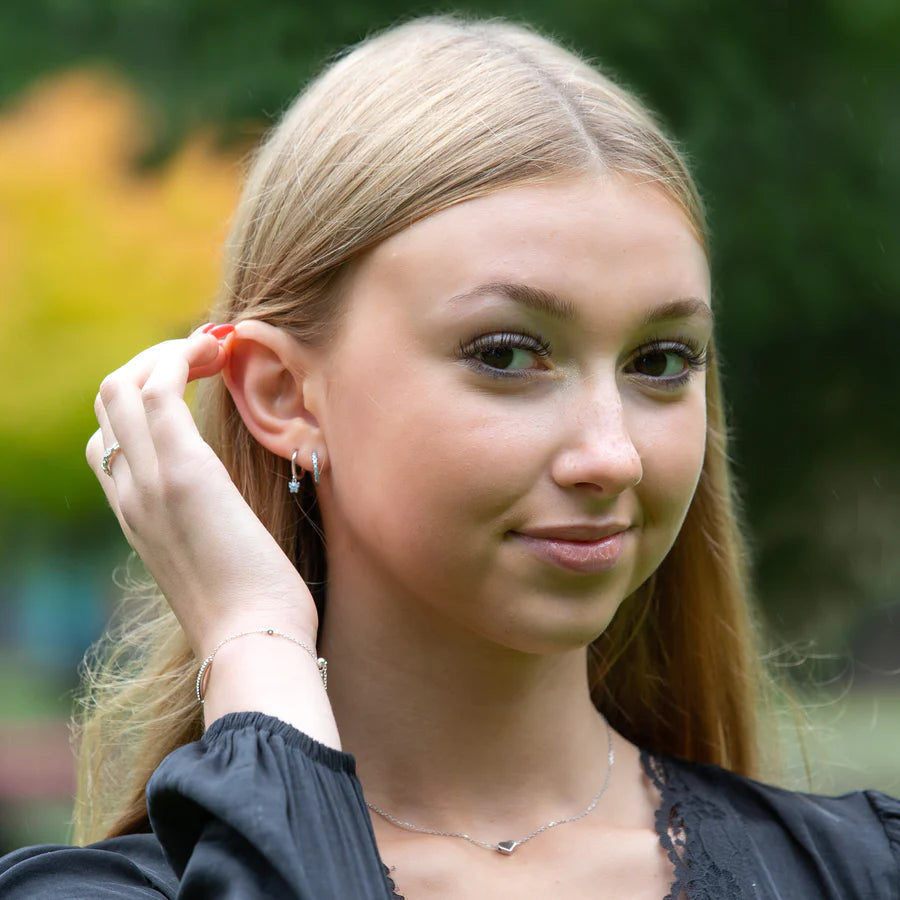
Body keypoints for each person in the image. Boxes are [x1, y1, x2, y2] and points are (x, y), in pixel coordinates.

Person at [1, 15, 897, 899]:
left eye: (660, 361)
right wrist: (252, 642)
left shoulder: (863, 871)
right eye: (506, 353)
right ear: (281, 394)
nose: (612, 455)